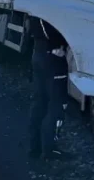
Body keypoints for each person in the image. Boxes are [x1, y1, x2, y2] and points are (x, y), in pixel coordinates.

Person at [27, 16, 69, 160]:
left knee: (39, 103)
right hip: (53, 58)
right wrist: (59, 45)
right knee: (56, 105)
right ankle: (49, 149)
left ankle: (35, 148)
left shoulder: (35, 4)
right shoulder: (48, 7)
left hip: (39, 53)